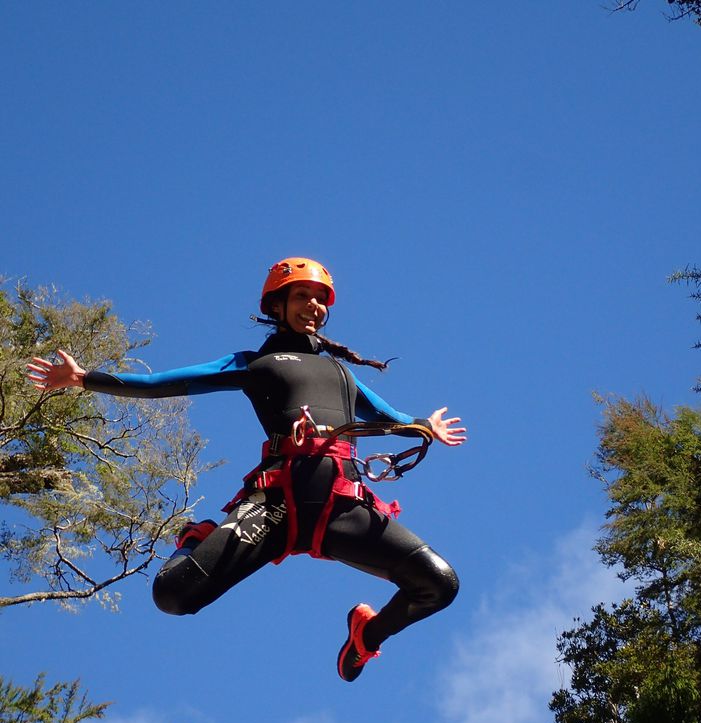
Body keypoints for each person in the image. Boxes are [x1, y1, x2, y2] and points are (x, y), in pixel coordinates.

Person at [27, 257, 466, 681]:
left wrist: (424, 426)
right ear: (277, 305)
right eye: (302, 296)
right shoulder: (257, 364)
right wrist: (86, 379)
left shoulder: (341, 373)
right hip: (275, 505)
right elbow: (168, 383)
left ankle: (366, 635)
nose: (313, 306)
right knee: (173, 595)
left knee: (438, 584)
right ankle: (195, 539)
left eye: (320, 298)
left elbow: (388, 417)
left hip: (341, 507)